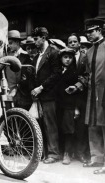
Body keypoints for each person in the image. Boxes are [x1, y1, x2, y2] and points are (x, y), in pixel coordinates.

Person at [78, 18, 105, 174]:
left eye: (91, 31)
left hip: (104, 93)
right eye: (87, 32)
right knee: (93, 125)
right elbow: (87, 75)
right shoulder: (88, 52)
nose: (88, 34)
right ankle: (97, 158)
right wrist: (79, 85)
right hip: (92, 94)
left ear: (99, 30)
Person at [31, 27, 61, 164]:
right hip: (40, 96)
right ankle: (44, 153)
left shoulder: (54, 53)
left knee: (50, 125)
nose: (35, 42)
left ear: (43, 38)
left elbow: (56, 74)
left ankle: (54, 154)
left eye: (36, 39)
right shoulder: (37, 56)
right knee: (41, 124)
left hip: (49, 95)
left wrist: (41, 88)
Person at [67, 33, 90, 163]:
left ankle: (80, 152)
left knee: (81, 126)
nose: (73, 44)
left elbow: (87, 75)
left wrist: (79, 84)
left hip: (81, 95)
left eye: (75, 42)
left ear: (79, 43)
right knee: (68, 125)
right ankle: (68, 152)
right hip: (68, 96)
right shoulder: (64, 58)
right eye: (70, 42)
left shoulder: (84, 58)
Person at [55, 48, 78, 165]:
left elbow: (78, 92)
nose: (68, 60)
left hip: (70, 105)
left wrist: (77, 108)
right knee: (60, 127)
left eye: (70, 57)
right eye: (65, 57)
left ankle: (67, 153)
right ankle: (61, 151)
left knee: (68, 129)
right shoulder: (58, 71)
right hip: (59, 104)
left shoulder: (75, 72)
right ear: (61, 59)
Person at [5, 30, 34, 110]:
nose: (9, 45)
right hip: (9, 93)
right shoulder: (7, 56)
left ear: (17, 42)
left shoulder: (26, 56)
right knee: (10, 116)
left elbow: (28, 76)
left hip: (23, 94)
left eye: (10, 43)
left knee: (22, 116)